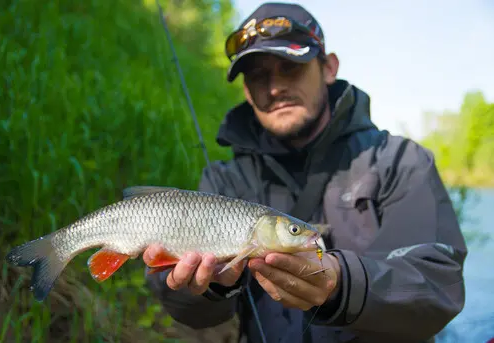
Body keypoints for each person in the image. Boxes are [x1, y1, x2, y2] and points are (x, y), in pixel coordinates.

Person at [144, 2, 468, 342]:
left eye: (290, 67)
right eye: (258, 75)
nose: (274, 87)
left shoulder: (400, 161)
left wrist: (342, 283)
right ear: (246, 90)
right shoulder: (223, 181)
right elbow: (194, 314)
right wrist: (205, 287)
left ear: (328, 68)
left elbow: (438, 284)